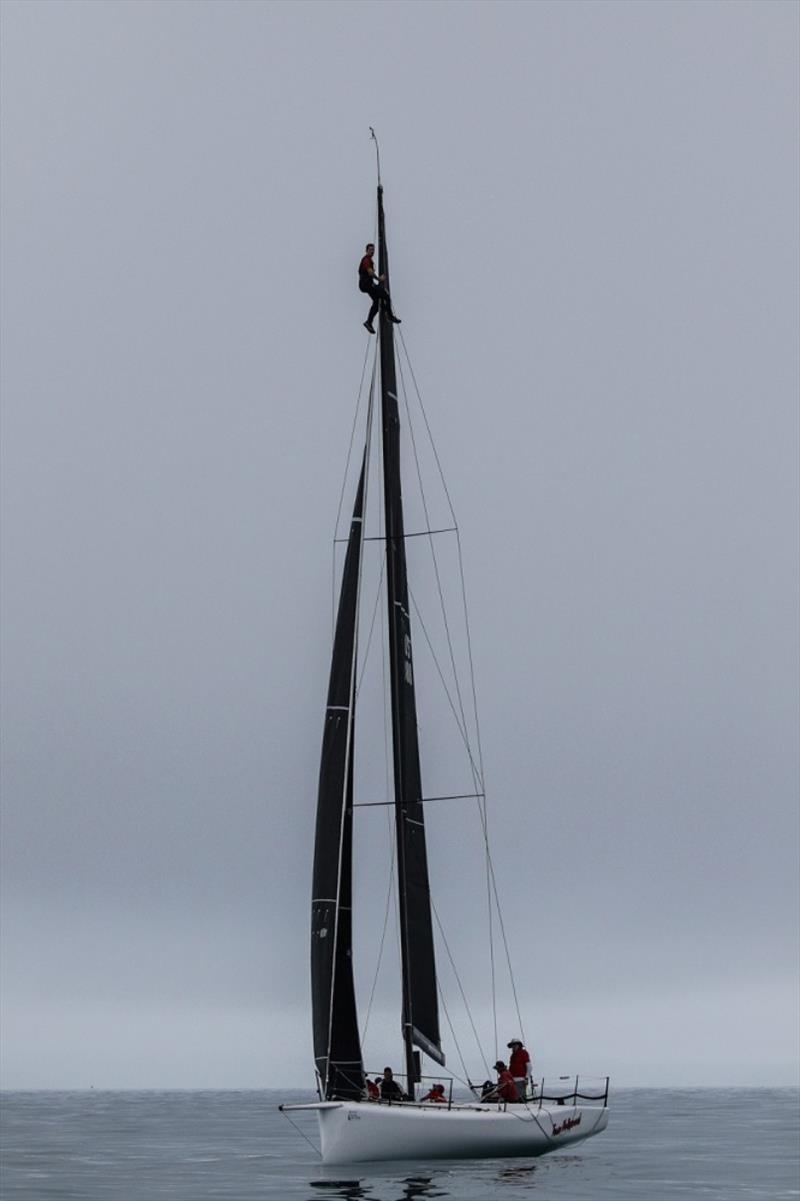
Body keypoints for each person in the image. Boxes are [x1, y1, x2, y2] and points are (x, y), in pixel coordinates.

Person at [358, 242, 401, 333]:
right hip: (367, 285)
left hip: (366, 285)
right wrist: (379, 279)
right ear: (366, 251)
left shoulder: (369, 260)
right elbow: (370, 272)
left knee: (377, 303)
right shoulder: (366, 260)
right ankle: (389, 315)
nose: (372, 251)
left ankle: (368, 322)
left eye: (373, 250)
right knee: (385, 294)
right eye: (370, 250)